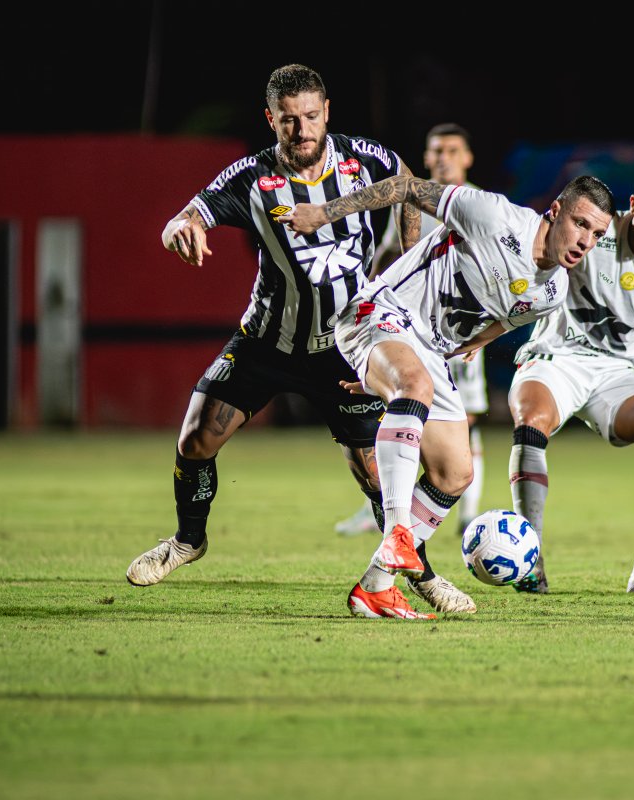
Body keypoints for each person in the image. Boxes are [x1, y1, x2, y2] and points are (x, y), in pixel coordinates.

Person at [125, 64, 476, 607]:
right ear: (271, 119)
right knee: (196, 437)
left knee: (381, 480)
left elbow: (409, 185)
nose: (302, 129)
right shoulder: (251, 177)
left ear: (326, 111)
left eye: (311, 116)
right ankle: (186, 541)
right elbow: (189, 214)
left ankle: (418, 573)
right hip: (267, 340)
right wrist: (180, 230)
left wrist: (405, 256)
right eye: (288, 120)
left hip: (347, 347)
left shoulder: (364, 160)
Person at [281, 174, 615, 618]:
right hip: (379, 312)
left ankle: (376, 585)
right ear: (555, 211)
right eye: (580, 224)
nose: (585, 241)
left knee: (457, 473)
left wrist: (394, 367)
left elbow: (502, 320)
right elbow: (405, 188)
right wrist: (324, 213)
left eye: (597, 234)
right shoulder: (493, 215)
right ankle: (398, 533)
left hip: (425, 353)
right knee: (414, 386)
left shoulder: (551, 290)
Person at [507, 163, 634, 594]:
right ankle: (532, 560)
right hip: (555, 358)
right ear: (633, 205)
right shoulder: (595, 232)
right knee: (531, 419)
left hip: (616, 373)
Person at [335, 124, 489, 538]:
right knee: (403, 405)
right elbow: (392, 251)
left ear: (468, 158)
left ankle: (467, 511)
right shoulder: (414, 201)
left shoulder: (480, 206)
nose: (443, 158)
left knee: (464, 419)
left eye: (453, 150)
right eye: (436, 150)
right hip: (406, 322)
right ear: (424, 157)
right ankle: (389, 507)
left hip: (457, 331)